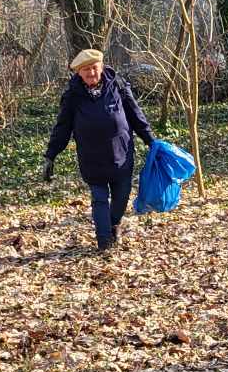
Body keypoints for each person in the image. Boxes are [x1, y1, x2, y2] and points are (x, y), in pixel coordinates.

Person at [42, 48, 155, 253]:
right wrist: (51, 155)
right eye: (86, 70)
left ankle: (113, 226)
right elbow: (63, 127)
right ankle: (104, 242)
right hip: (92, 159)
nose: (91, 73)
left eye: (94, 68)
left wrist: (151, 141)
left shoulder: (118, 86)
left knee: (121, 196)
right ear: (79, 73)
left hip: (121, 155)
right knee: (99, 198)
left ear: (101, 67)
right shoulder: (72, 97)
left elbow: (136, 115)